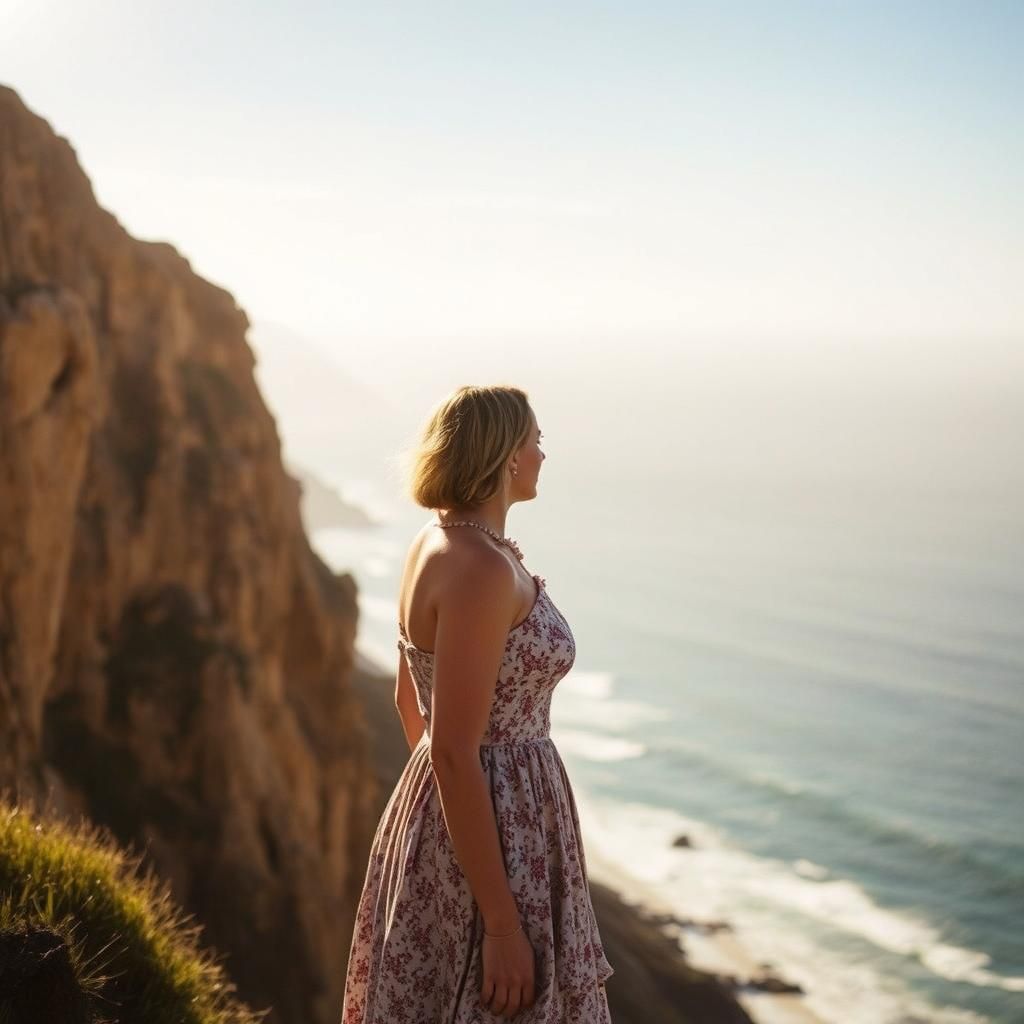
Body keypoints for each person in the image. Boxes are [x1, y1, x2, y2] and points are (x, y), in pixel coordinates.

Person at [341, 384, 614, 1022]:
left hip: (464, 816)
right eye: (536, 441)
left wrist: (438, 819)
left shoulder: (435, 543)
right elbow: (454, 749)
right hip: (501, 826)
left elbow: (410, 700)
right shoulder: (481, 569)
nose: (543, 454)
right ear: (506, 455)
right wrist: (500, 922)